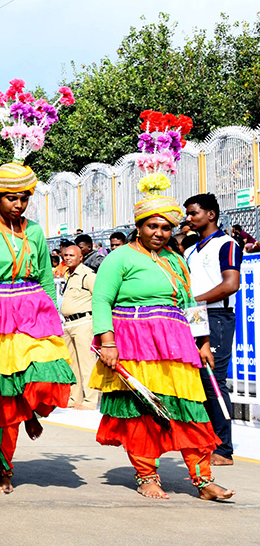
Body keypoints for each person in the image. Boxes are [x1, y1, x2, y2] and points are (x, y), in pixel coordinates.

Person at [90, 193, 233, 500]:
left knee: (191, 409)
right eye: (152, 226)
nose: (159, 233)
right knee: (144, 412)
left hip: (176, 343)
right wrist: (108, 344)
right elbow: (101, 300)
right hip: (135, 342)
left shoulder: (176, 260)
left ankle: (203, 479)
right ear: (139, 226)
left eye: (166, 228)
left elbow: (189, 303)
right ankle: (146, 476)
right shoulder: (119, 258)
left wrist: (204, 342)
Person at [0, 162, 75, 494]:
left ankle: (30, 409)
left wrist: (53, 318)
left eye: (24, 198)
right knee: (0, 400)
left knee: (49, 373)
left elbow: (45, 275)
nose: (18, 204)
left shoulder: (34, 232)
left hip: (33, 311)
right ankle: (2, 468)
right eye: (11, 198)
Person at [183, 193, 240, 467]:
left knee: (214, 378)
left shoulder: (226, 244)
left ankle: (224, 448)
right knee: (197, 380)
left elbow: (231, 284)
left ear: (211, 215)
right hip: (193, 315)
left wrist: (197, 300)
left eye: (193, 213)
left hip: (216, 315)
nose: (189, 218)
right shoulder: (190, 250)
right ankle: (205, 442)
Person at [59, 244, 98, 409]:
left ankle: (90, 400)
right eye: (66, 255)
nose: (68, 258)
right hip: (68, 324)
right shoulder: (68, 275)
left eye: (72, 255)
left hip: (84, 323)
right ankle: (75, 398)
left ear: (81, 257)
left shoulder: (87, 275)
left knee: (87, 363)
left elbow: (99, 298)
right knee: (72, 364)